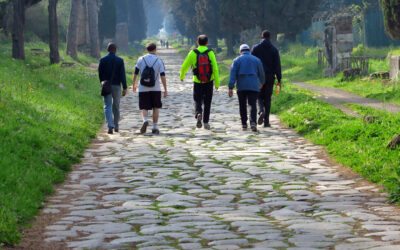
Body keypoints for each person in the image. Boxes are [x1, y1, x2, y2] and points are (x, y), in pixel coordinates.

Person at [180, 34, 220, 130]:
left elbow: (185, 65)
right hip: (209, 81)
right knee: (207, 102)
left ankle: (198, 113)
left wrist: (182, 76)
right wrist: (217, 83)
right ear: (207, 43)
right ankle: (206, 122)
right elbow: (215, 68)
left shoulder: (192, 53)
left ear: (197, 42)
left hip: (197, 81)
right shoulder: (210, 53)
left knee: (197, 100)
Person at [132, 43, 167, 135]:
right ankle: (155, 127)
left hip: (143, 87)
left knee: (144, 107)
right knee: (156, 107)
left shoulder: (141, 59)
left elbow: (136, 72)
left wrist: (134, 84)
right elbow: (162, 75)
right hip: (155, 88)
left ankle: (145, 120)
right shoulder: (159, 61)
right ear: (155, 50)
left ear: (146, 50)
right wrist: (165, 89)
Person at [229, 44, 265, 132]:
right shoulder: (257, 60)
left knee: (242, 105)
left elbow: (233, 75)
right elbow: (262, 73)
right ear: (249, 50)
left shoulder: (236, 60)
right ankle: (253, 123)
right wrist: (261, 82)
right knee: (252, 104)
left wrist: (230, 87)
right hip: (253, 85)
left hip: (241, 86)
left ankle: (244, 124)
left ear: (240, 51)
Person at [251, 30, 282, 127]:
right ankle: (266, 122)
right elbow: (277, 65)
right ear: (270, 37)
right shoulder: (274, 49)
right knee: (267, 98)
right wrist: (279, 78)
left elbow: (251, 62)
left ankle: (261, 111)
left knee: (259, 96)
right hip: (270, 77)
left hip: (258, 77)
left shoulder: (256, 48)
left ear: (262, 37)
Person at [98, 43, 127, 134]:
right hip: (117, 86)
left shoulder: (102, 60)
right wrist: (125, 87)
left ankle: (110, 126)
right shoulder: (120, 60)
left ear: (107, 49)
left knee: (107, 106)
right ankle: (116, 126)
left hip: (106, 85)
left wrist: (102, 82)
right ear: (115, 50)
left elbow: (100, 73)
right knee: (116, 106)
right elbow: (123, 75)